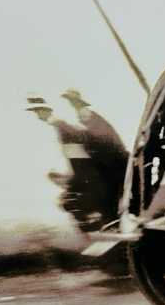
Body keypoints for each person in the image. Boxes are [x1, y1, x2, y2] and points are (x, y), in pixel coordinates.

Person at [26, 98, 115, 232]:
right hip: (86, 172)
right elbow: (75, 157)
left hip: (89, 174)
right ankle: (100, 223)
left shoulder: (61, 126)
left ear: (45, 110)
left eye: (38, 112)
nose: (38, 117)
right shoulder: (60, 126)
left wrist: (71, 179)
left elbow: (80, 155)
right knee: (68, 200)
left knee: (69, 201)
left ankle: (106, 223)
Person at [60, 88, 128, 217]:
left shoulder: (87, 114)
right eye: (70, 100)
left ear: (79, 102)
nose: (71, 103)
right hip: (108, 158)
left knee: (110, 188)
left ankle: (113, 216)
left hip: (112, 158)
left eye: (73, 100)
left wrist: (75, 134)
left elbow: (97, 135)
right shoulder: (84, 115)